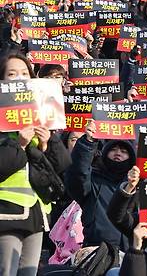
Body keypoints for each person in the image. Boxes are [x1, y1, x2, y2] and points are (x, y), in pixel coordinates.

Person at [0, 54, 71, 276]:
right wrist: (19, 145)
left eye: (24, 73)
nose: (19, 79)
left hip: (37, 212)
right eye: (12, 74)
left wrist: (46, 142)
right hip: (6, 214)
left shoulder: (42, 117)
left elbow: (62, 165)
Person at [65, 120, 137, 251]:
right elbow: (78, 173)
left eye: (124, 151)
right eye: (113, 149)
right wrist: (87, 142)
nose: (118, 153)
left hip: (130, 252)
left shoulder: (138, 185)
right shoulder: (93, 180)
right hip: (96, 251)